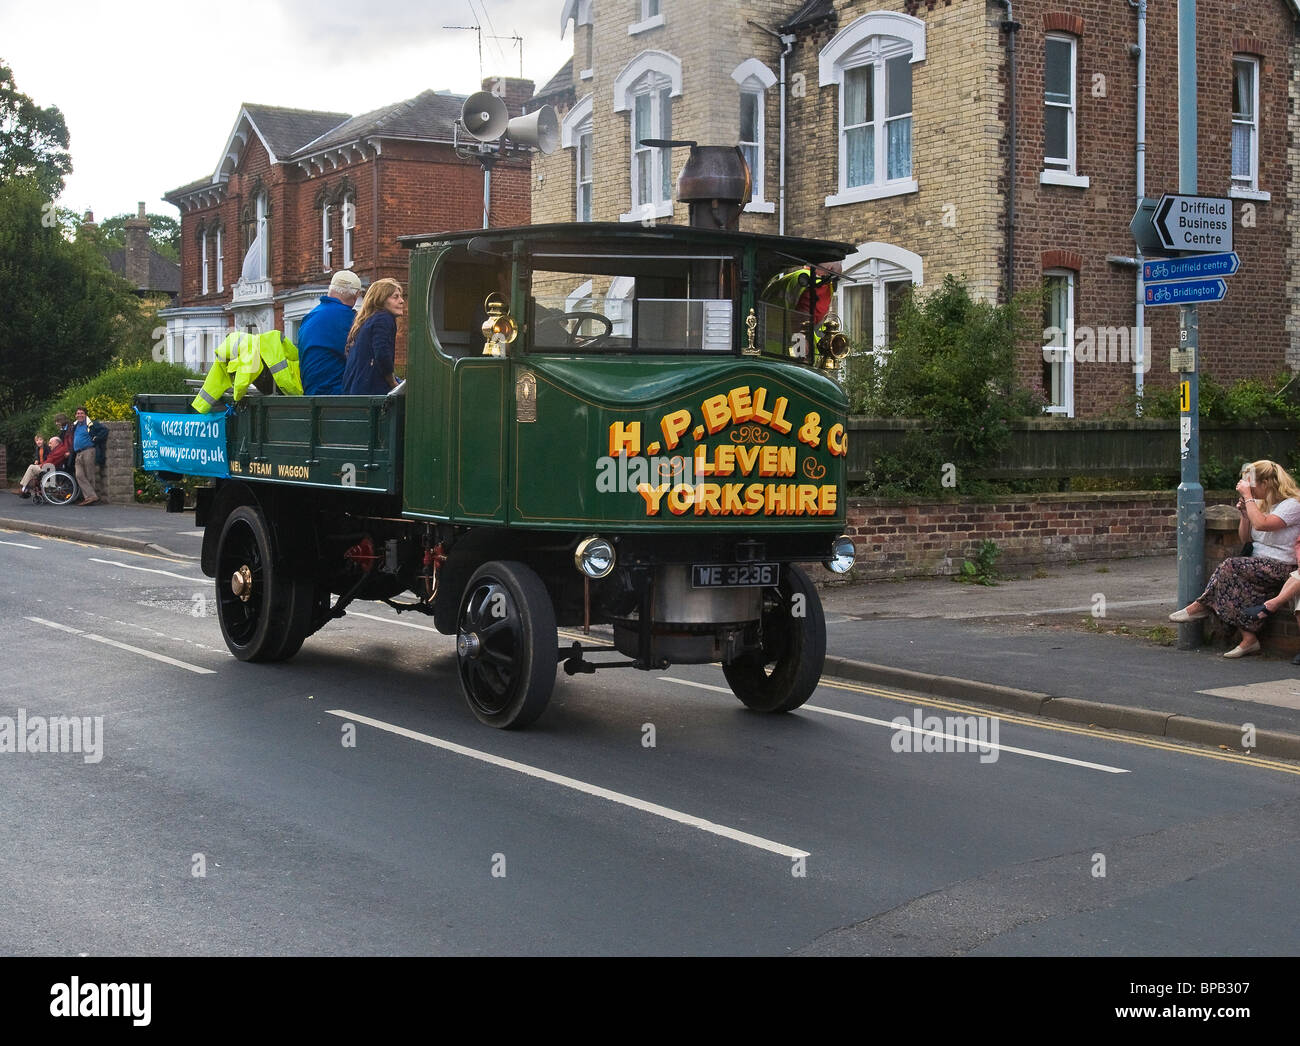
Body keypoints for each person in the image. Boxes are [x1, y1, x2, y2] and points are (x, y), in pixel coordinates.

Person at [1169, 459, 1300, 657]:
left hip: (1283, 565)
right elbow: (1245, 538)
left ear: (1266, 483)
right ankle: (1249, 640)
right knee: (1235, 587)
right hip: (1258, 563)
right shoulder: (1259, 504)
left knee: (1230, 566)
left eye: (1252, 485)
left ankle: (1201, 606)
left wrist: (1248, 500)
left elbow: (1264, 524)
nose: (1251, 491)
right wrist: (1245, 515)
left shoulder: (1292, 505)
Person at [299, 270, 362, 395]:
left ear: (330, 289)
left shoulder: (310, 317)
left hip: (311, 394)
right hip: (337, 395)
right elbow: (362, 359)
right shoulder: (348, 319)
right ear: (356, 296)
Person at [341, 279, 404, 395]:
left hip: (355, 390)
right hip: (371, 392)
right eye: (395, 297)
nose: (402, 301)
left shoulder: (366, 321)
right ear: (381, 300)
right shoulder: (384, 318)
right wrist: (393, 383)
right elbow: (382, 354)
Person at [69, 406, 108, 506]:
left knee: (89, 474)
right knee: (79, 475)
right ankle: (92, 496)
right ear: (75, 415)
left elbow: (104, 431)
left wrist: (96, 438)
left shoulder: (91, 424)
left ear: (85, 414)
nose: (79, 415)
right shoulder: (75, 425)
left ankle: (90, 498)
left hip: (88, 451)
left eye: (81, 413)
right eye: (78, 413)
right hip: (78, 453)